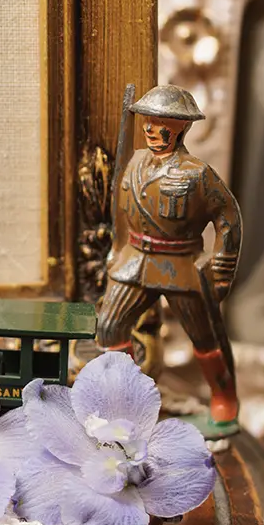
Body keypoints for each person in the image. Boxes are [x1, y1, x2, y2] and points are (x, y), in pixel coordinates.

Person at [98, 84, 242, 425]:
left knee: (204, 336)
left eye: (161, 121)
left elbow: (228, 217)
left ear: (181, 127)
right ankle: (129, 400)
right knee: (109, 329)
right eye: (147, 120)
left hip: (181, 266)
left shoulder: (197, 173)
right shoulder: (132, 163)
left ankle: (223, 396)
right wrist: (117, 251)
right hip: (135, 262)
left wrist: (221, 268)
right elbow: (120, 211)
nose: (150, 128)